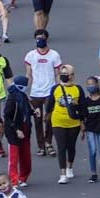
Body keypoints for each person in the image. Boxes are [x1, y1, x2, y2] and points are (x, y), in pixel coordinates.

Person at [24, 28, 62, 157]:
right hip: (35, 93)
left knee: (50, 118)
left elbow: (58, 74)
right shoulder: (30, 56)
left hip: (50, 92)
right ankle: (41, 146)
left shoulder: (54, 55)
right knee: (38, 120)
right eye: (38, 38)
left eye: (42, 38)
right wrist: (25, 90)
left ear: (46, 39)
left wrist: (58, 89)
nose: (40, 40)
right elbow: (28, 74)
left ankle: (48, 142)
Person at [47, 64, 85, 184]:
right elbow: (50, 105)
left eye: (66, 74)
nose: (63, 76)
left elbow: (83, 107)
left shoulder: (78, 89)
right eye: (61, 74)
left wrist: (83, 123)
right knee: (61, 147)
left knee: (71, 146)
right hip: (58, 121)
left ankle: (70, 167)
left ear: (72, 76)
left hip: (73, 123)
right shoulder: (55, 89)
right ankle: (63, 173)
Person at [3, 75, 34, 188]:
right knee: (14, 158)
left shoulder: (23, 96)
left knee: (26, 157)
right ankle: (14, 180)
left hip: (25, 129)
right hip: (14, 132)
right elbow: (7, 116)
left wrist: (34, 113)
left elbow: (26, 111)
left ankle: (23, 177)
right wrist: (16, 130)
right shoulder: (12, 98)